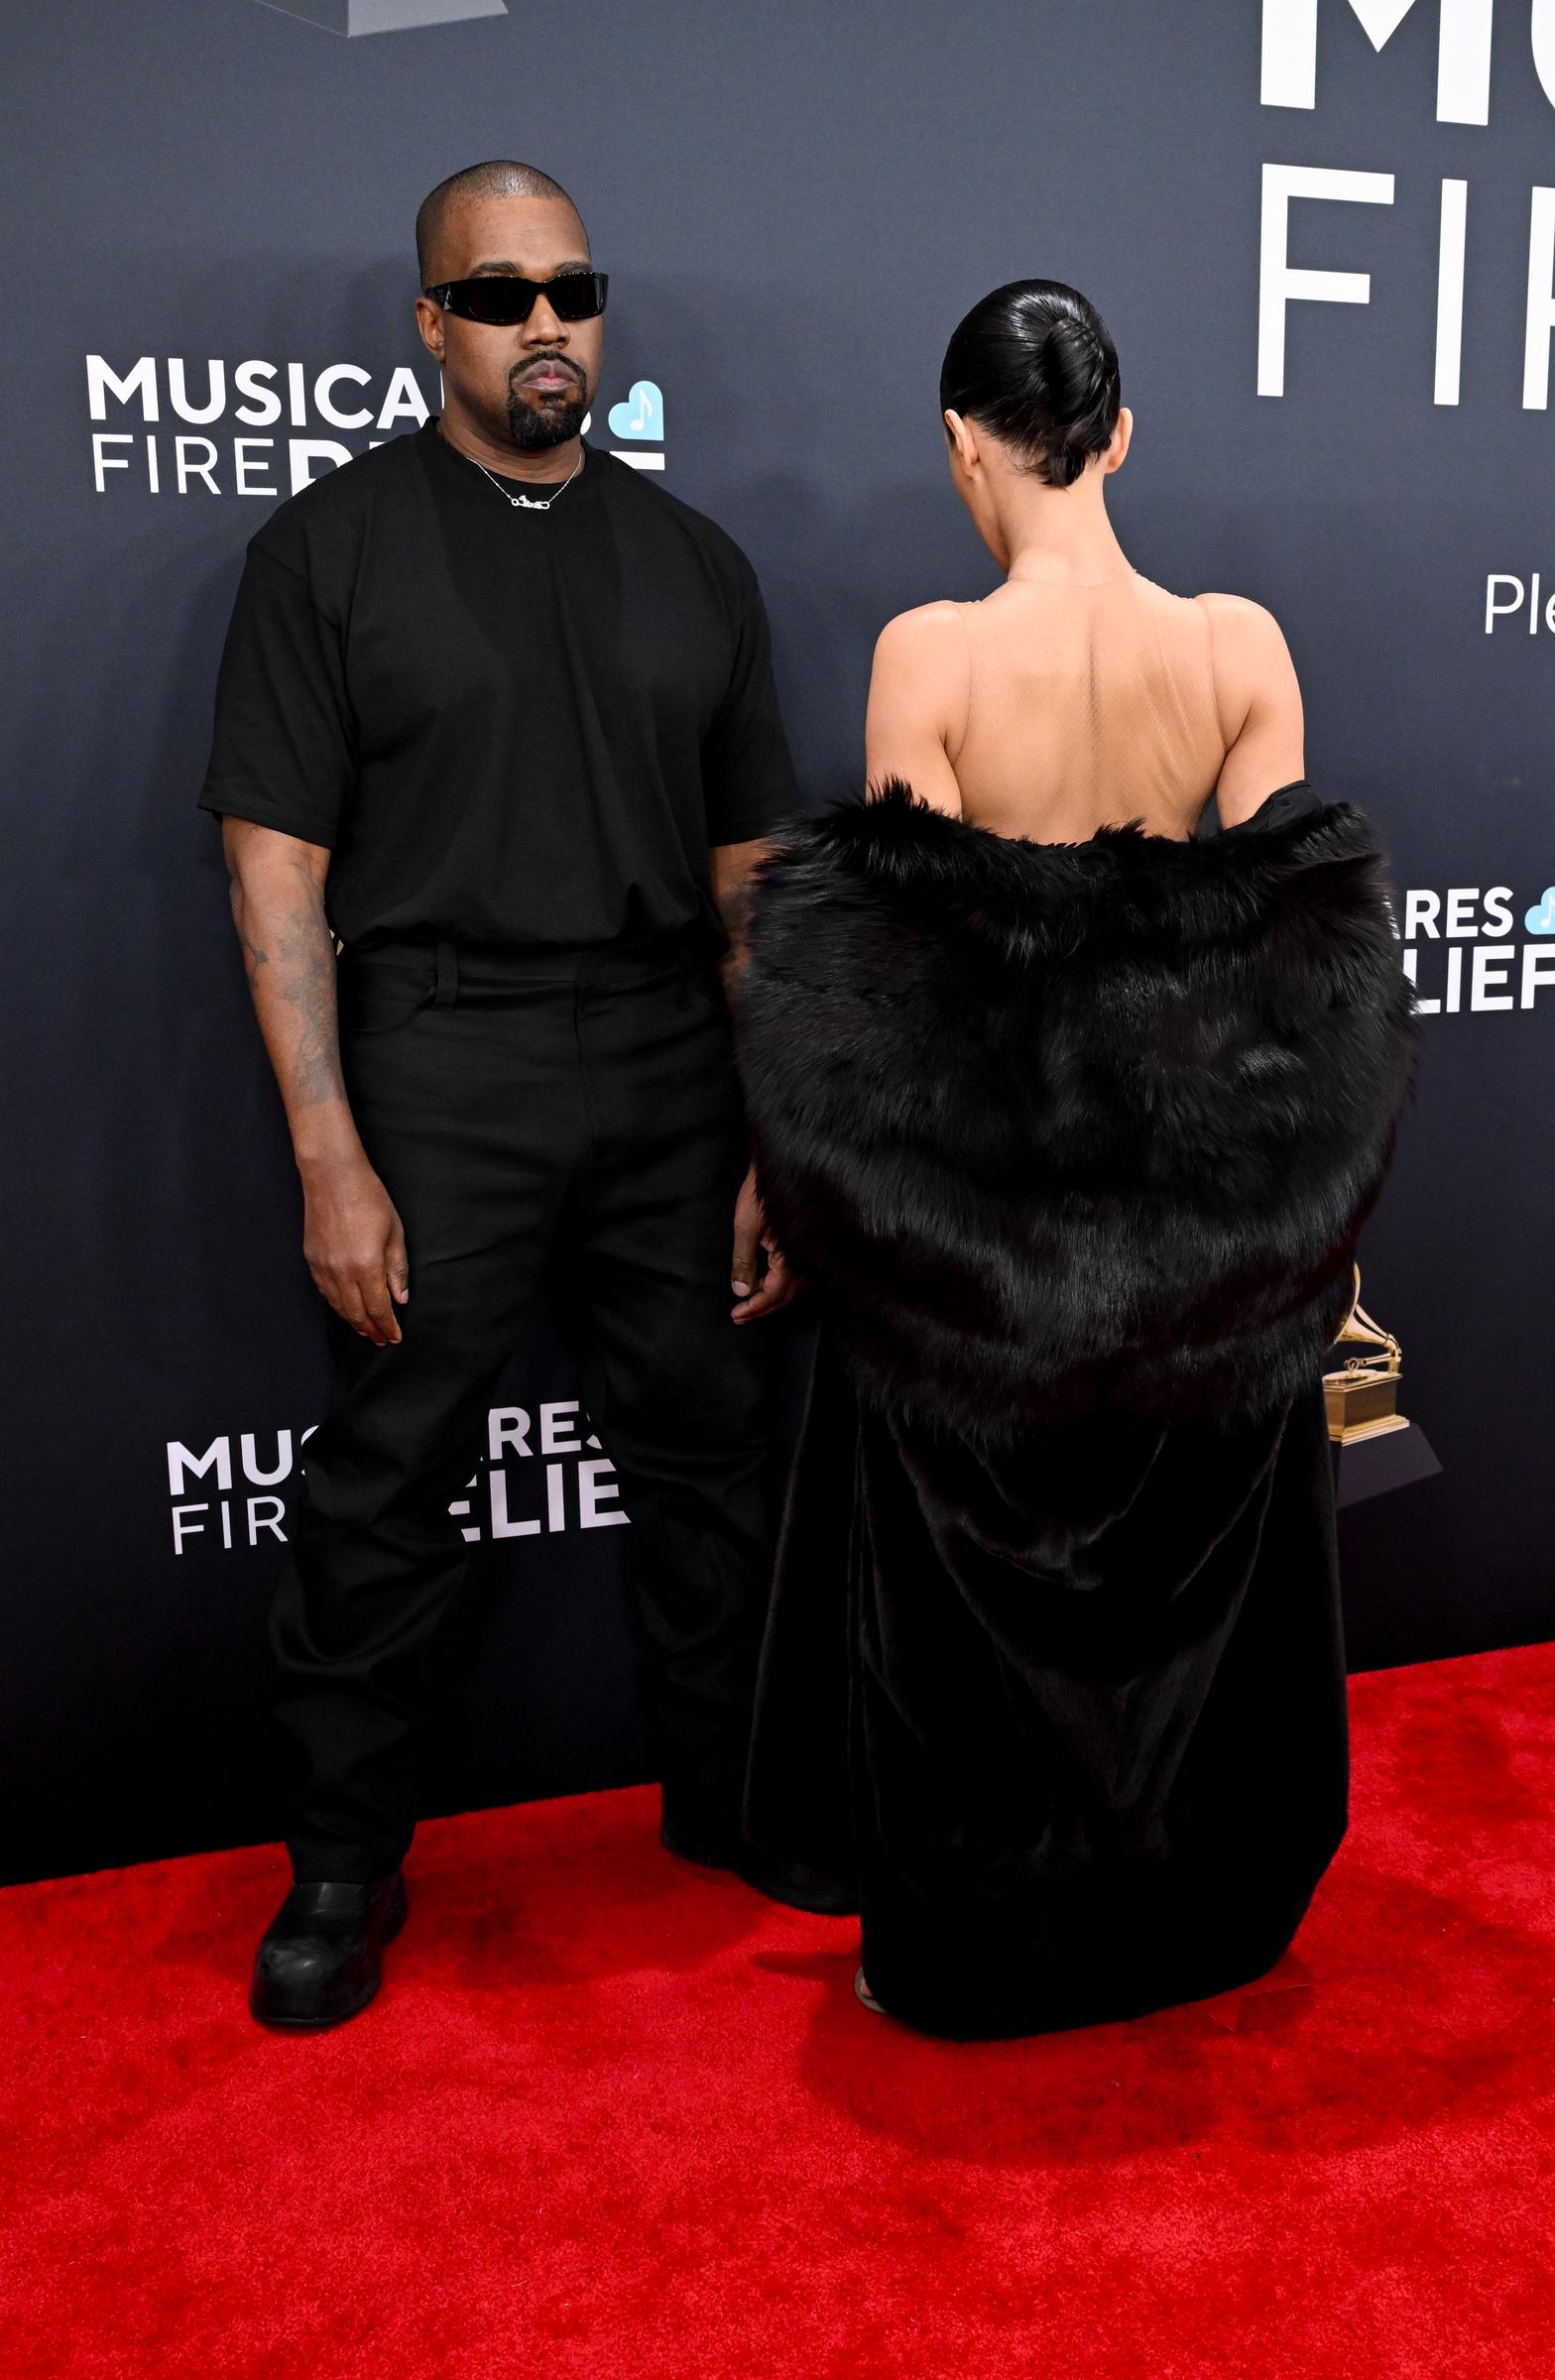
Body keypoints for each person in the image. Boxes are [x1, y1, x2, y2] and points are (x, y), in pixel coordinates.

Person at [202, 160, 845, 2033]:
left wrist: (772, 1137)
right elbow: (273, 874)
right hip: (437, 1058)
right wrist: (330, 1151)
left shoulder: (694, 564)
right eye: (498, 296)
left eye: (571, 288)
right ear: (429, 325)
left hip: (669, 1062)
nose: (544, 322)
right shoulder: (323, 555)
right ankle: (340, 1861)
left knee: (713, 1456)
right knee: (390, 1473)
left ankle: (733, 1804)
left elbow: (751, 888)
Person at [734, 281, 1417, 2040]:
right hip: (1202, 1222)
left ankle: (972, 1944)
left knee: (980, 1608)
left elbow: (910, 987)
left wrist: (817, 1192)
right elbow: (1295, 971)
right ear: (1118, 433)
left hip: (996, 1219)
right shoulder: (1238, 646)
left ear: (964, 443)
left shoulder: (928, 657)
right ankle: (1189, 1921)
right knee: (1185, 1593)